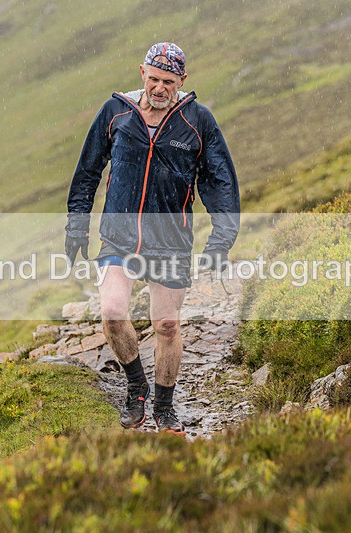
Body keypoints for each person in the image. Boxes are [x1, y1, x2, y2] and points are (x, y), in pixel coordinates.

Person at [64, 42, 240, 435]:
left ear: (183, 81)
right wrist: (76, 226)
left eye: (169, 82)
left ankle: (164, 405)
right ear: (141, 72)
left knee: (167, 326)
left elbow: (220, 183)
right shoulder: (115, 112)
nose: (160, 88)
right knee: (112, 312)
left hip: (171, 242)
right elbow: (88, 172)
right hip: (119, 236)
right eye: (155, 79)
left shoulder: (199, 121)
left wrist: (221, 241)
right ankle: (135, 387)